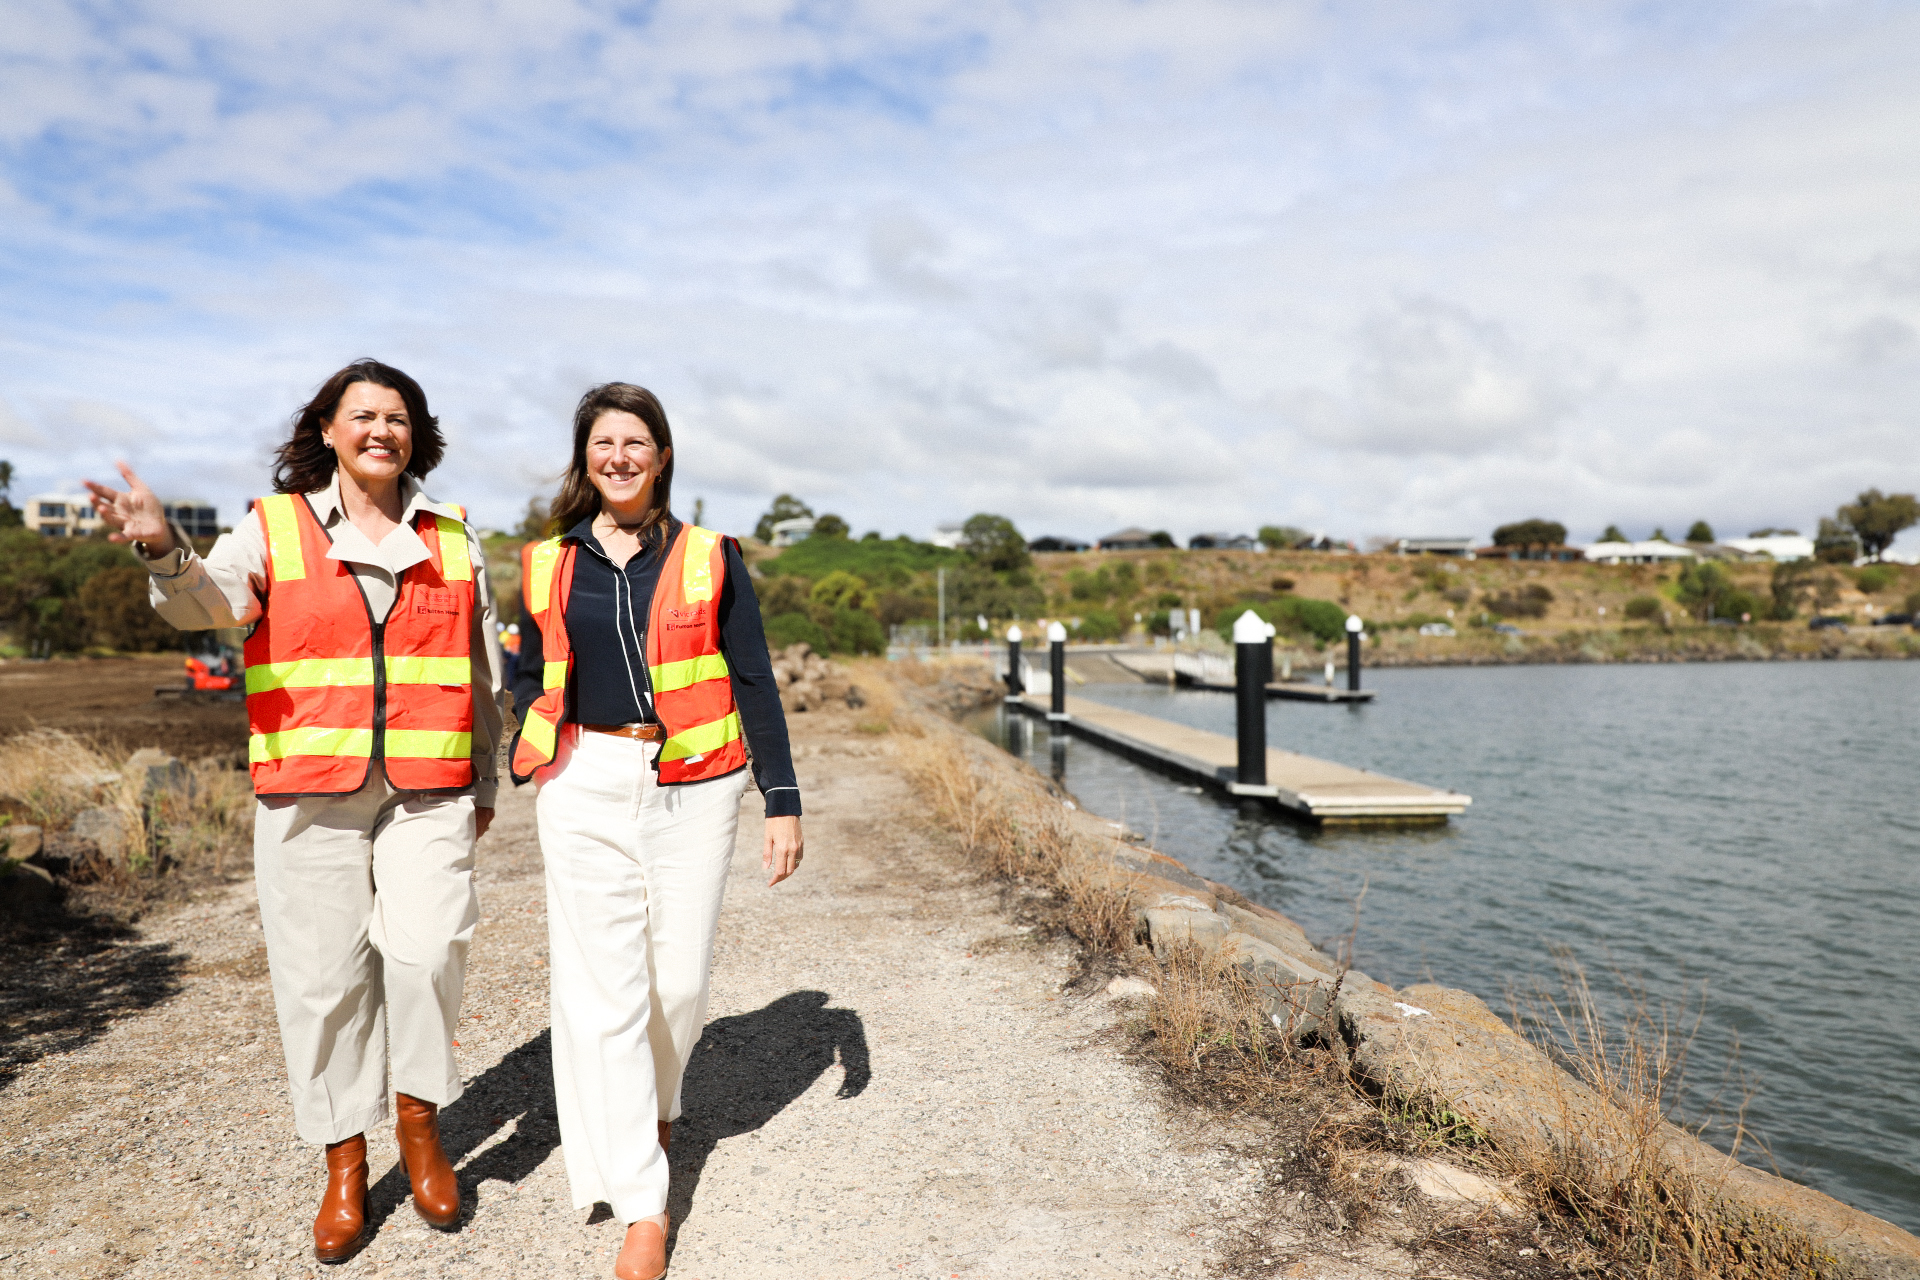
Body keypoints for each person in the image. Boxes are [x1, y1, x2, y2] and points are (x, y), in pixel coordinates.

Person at [84, 359, 508, 1263]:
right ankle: (345, 1159)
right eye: (363, 417)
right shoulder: (272, 528)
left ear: (415, 434)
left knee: (430, 950)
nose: (381, 431)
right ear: (327, 430)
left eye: (398, 418)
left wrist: (482, 781)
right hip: (310, 791)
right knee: (322, 982)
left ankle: (420, 1124)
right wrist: (160, 546)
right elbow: (207, 605)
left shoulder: (453, 535)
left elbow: (480, 671)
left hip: (427, 787)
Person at [510, 382, 802, 1280]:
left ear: (662, 456)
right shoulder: (546, 563)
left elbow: (753, 676)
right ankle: (645, 1200)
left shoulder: (712, 555)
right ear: (584, 457)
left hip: (697, 785)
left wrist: (782, 797)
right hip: (584, 781)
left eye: (636, 442)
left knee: (675, 983)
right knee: (603, 993)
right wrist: (541, 742)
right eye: (604, 442)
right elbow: (525, 670)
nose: (620, 457)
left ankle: (655, 1109)